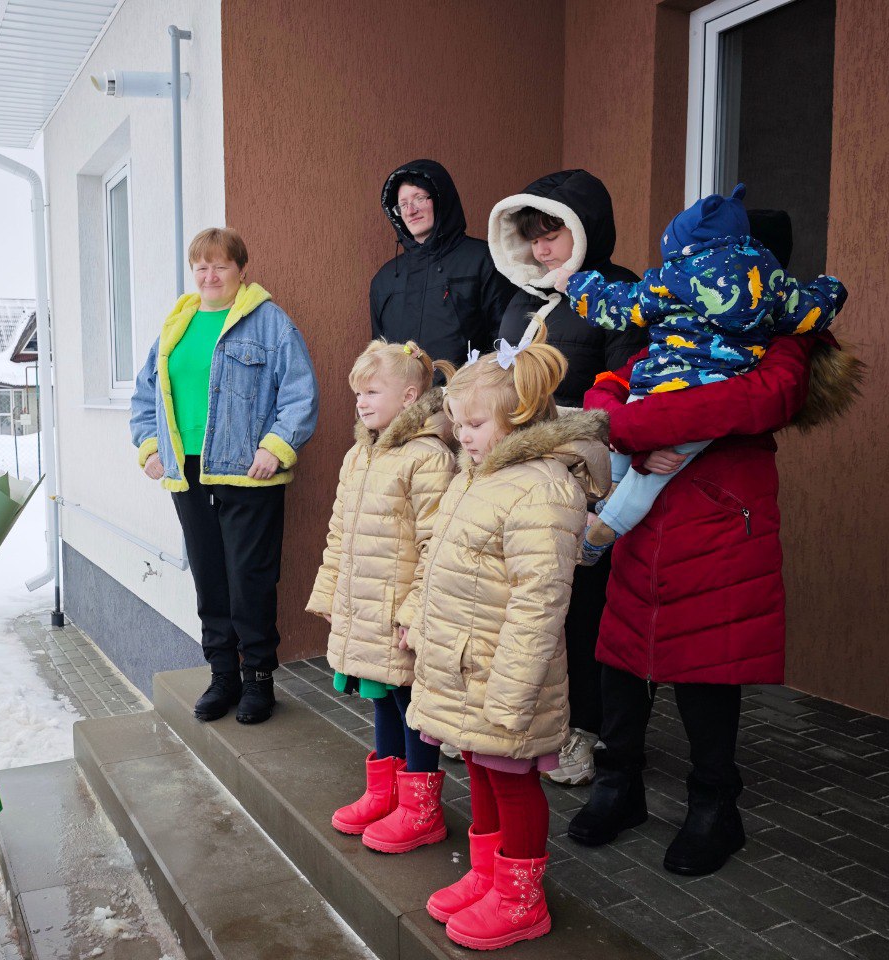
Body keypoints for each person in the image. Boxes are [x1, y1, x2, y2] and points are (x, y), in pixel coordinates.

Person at [568, 211, 864, 877]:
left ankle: (714, 808)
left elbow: (756, 401)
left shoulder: (783, 342)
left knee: (707, 669)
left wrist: (634, 426)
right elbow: (619, 382)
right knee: (621, 655)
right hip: (650, 522)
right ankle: (620, 784)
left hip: (723, 522)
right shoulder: (682, 326)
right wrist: (618, 422)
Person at [400, 322, 609, 950]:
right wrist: (419, 614)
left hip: (506, 672)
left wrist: (514, 689)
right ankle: (490, 875)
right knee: (481, 768)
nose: (461, 436)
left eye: (474, 424)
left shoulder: (541, 490)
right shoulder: (479, 474)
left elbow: (541, 599)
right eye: (458, 423)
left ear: (518, 421)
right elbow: (439, 555)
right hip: (468, 665)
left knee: (513, 781)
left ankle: (522, 899)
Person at [555, 183, 847, 564]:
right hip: (717, 386)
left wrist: (575, 284)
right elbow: (808, 310)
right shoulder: (772, 287)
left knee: (617, 462)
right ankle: (604, 527)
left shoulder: (670, 279)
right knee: (649, 478)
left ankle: (596, 515)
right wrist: (830, 289)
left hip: (659, 383)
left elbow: (619, 305)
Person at [488, 169, 647, 786]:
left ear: (584, 231)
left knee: (585, 611)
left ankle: (587, 729)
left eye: (552, 234)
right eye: (532, 236)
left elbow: (625, 390)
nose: (541, 248)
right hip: (522, 482)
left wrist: (557, 431)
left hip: (589, 482)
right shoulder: (521, 300)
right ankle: (533, 720)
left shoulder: (620, 294)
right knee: (531, 603)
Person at [130, 227, 318, 725]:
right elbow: (146, 395)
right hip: (187, 472)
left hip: (248, 471)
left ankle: (258, 680)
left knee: (249, 579)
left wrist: (275, 448)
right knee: (210, 579)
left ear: (241, 270)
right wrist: (150, 447)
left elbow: (299, 393)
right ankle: (223, 677)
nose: (210, 275)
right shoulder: (178, 324)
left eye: (220, 266)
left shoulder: (270, 323)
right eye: (201, 266)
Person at [306, 340, 456, 853]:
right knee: (383, 695)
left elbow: (436, 544)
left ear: (411, 395)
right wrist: (329, 592)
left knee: (409, 700)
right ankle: (386, 792)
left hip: (399, 612)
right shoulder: (360, 455)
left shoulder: (427, 457)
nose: (362, 402)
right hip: (366, 606)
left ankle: (422, 808)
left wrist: (414, 611)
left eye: (373, 392)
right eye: (358, 394)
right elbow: (339, 532)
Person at [370, 159, 515, 369]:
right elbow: (378, 354)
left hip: (464, 397)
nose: (411, 211)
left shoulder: (482, 260)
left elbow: (504, 341)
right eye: (403, 204)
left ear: (440, 199)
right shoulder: (384, 280)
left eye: (419, 198)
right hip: (403, 400)